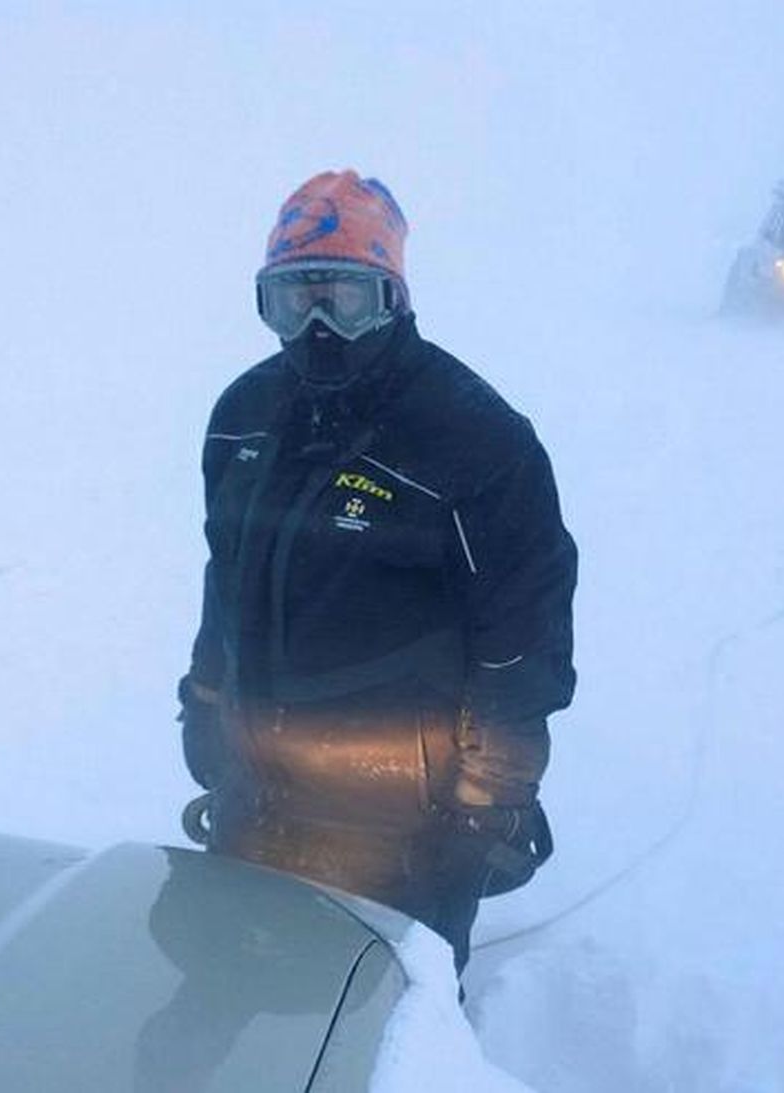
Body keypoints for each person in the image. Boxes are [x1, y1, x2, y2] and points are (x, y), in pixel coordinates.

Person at [176, 169, 577, 973]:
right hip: (257, 790)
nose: (319, 326)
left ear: (391, 294)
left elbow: (520, 647)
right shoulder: (241, 420)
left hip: (403, 824)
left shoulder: (474, 439)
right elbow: (226, 582)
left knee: (374, 1025)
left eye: (345, 298)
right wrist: (205, 701)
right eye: (295, 300)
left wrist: (487, 805)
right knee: (229, 990)